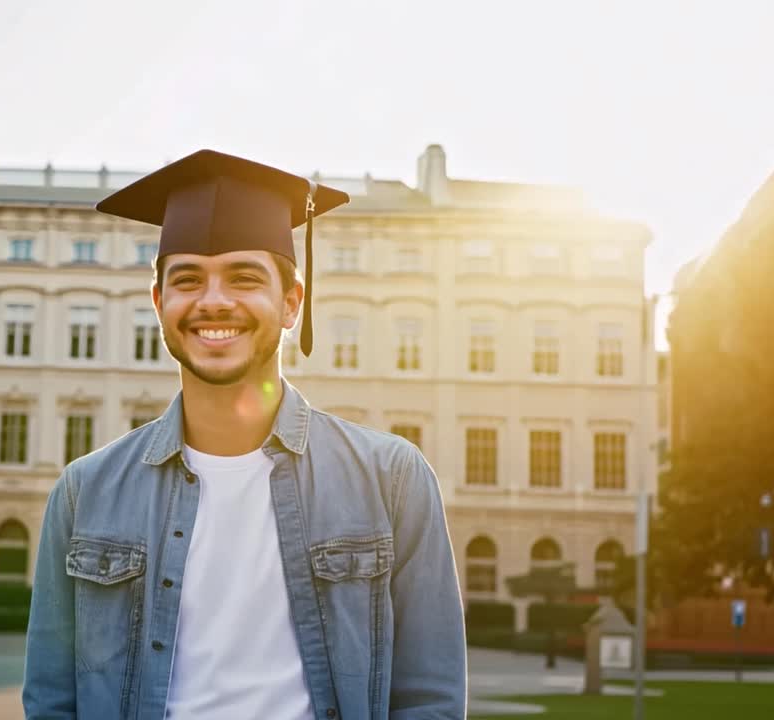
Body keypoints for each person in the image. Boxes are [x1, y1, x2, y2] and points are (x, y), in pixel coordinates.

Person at [23, 150, 466, 720]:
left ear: (291, 302)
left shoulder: (392, 480)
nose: (213, 301)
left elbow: (430, 701)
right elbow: (52, 702)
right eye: (188, 280)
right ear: (159, 303)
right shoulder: (84, 493)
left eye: (244, 277)